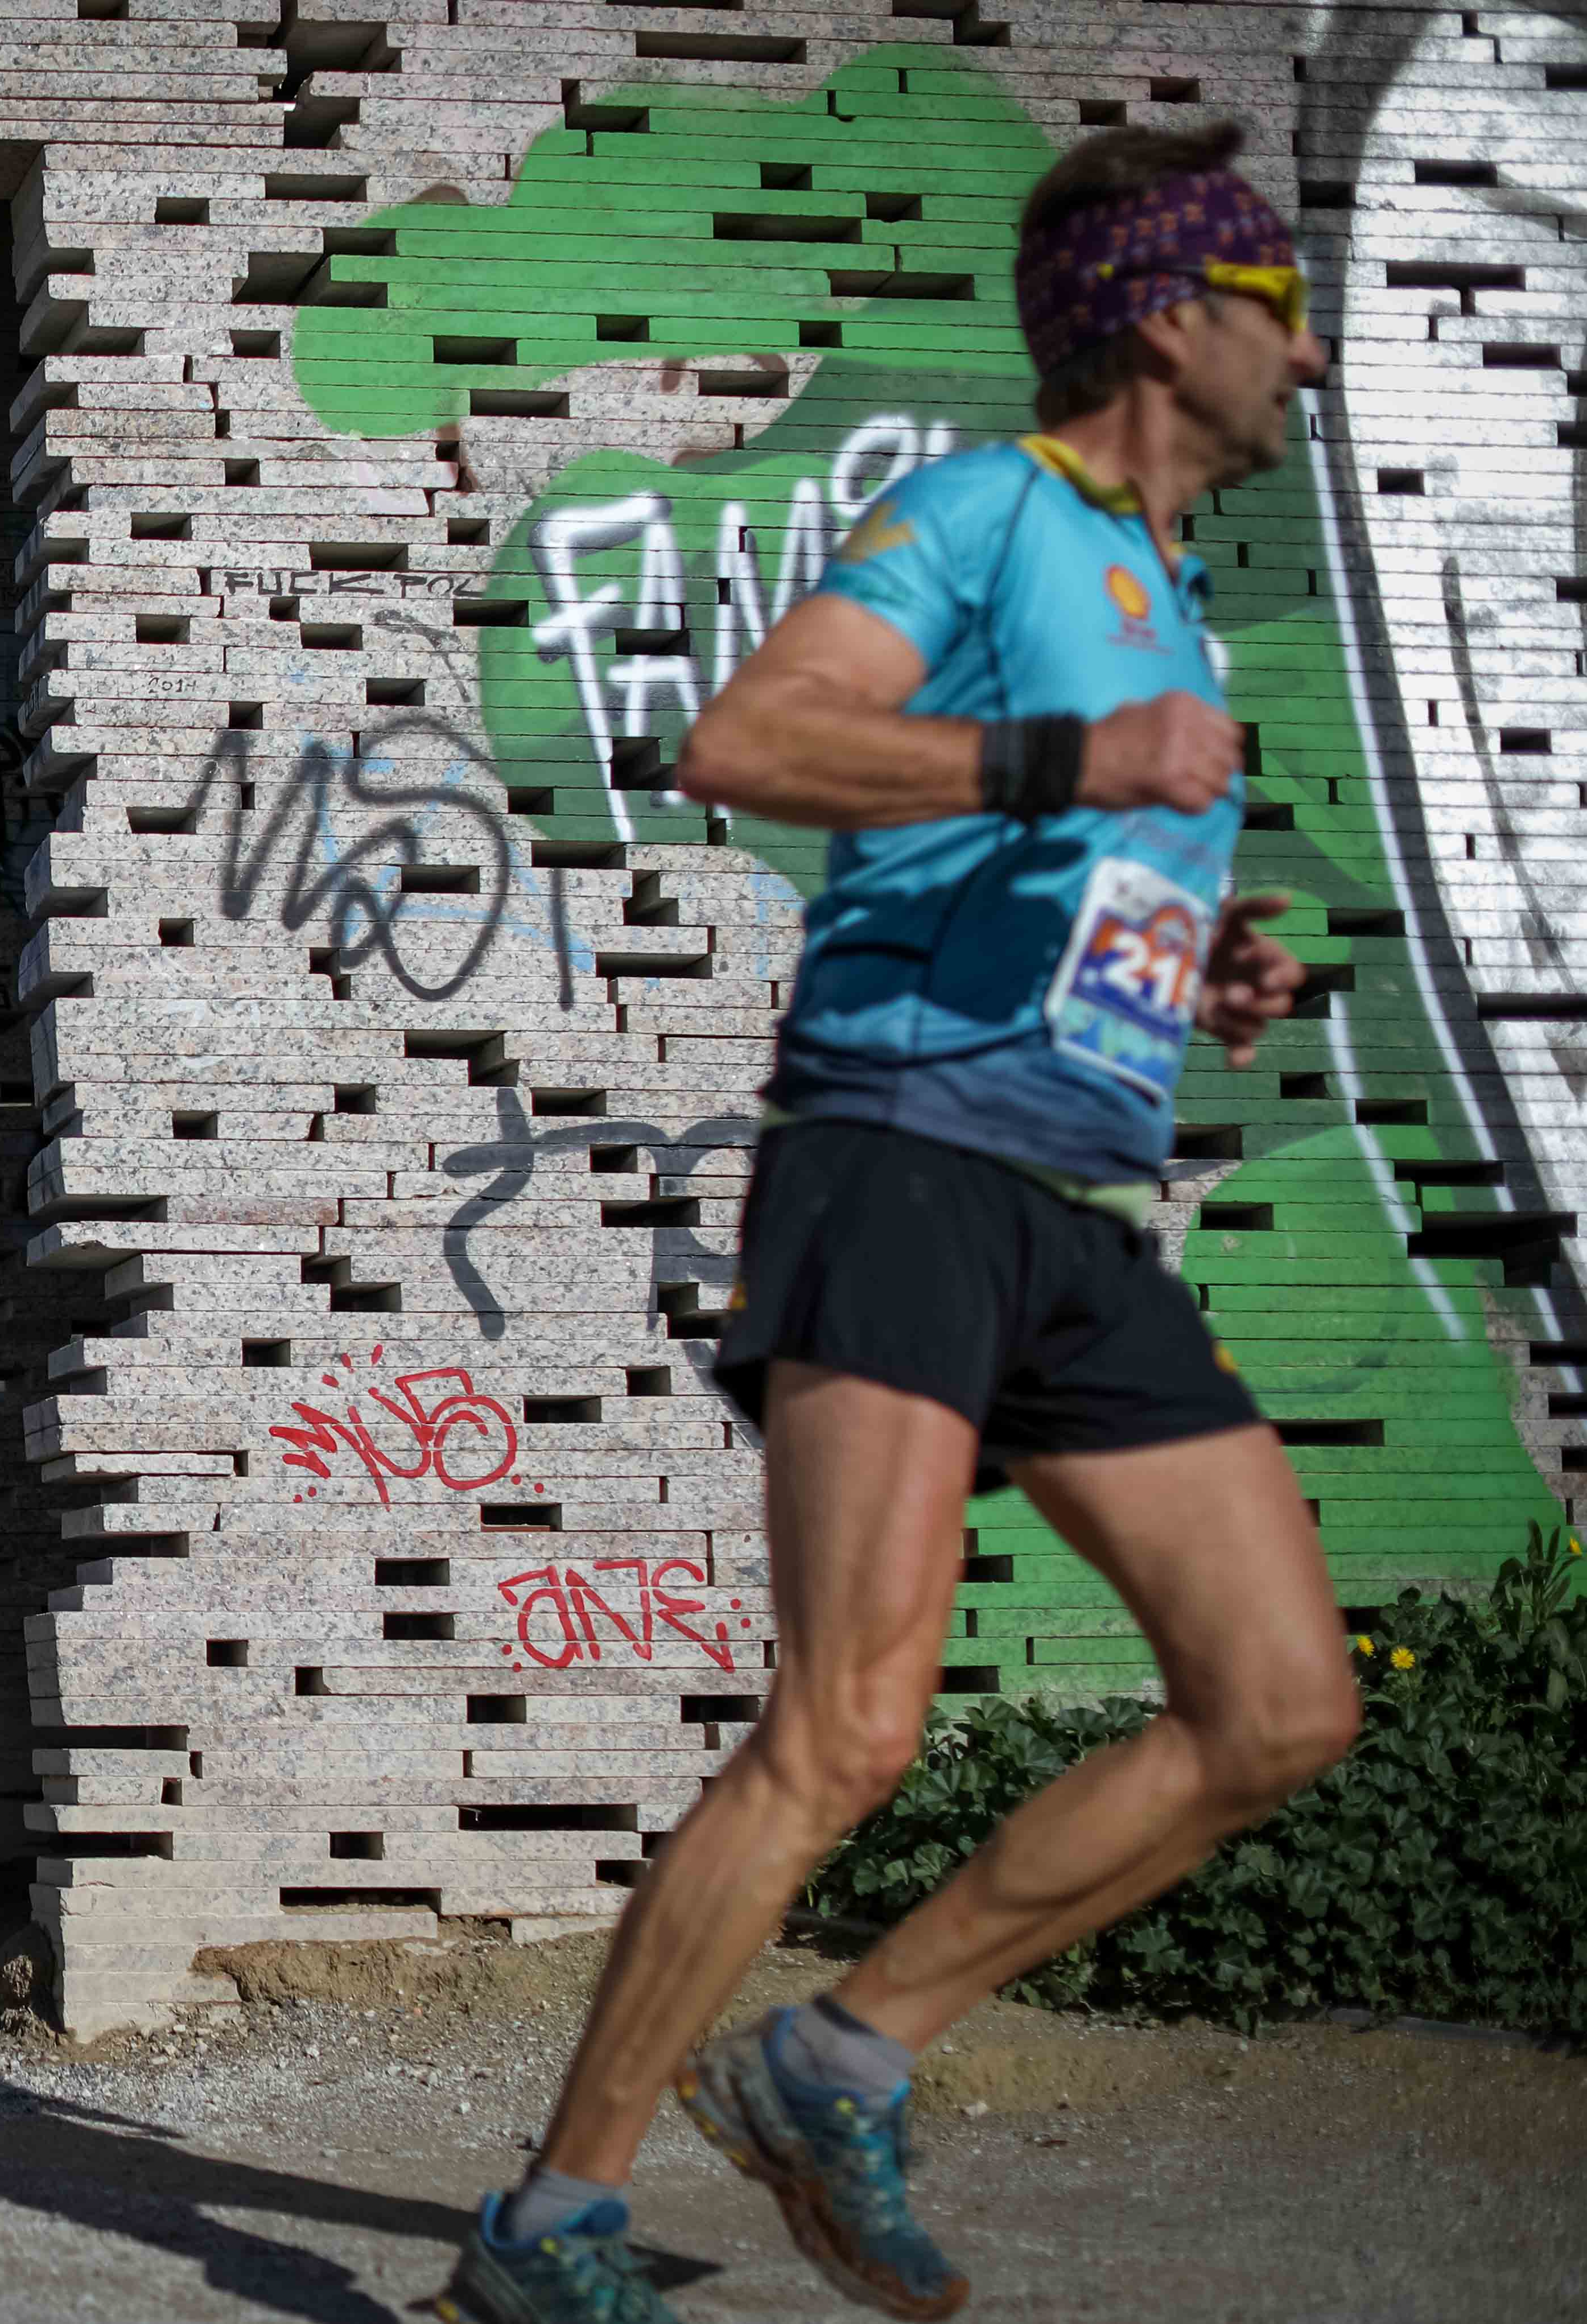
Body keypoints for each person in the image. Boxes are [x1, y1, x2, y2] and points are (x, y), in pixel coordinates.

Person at [434, 123, 1357, 2324]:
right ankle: (547, 2228)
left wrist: (1197, 952)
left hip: (1066, 1196)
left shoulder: (1160, 588)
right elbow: (748, 739)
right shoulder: (979, 513)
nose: (1305, 360)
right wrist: (1062, 766)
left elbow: (1076, 857)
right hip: (894, 1162)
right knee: (843, 1730)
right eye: (1277, 307)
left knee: (1277, 1704)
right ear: (1168, 315)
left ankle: (838, 2049)